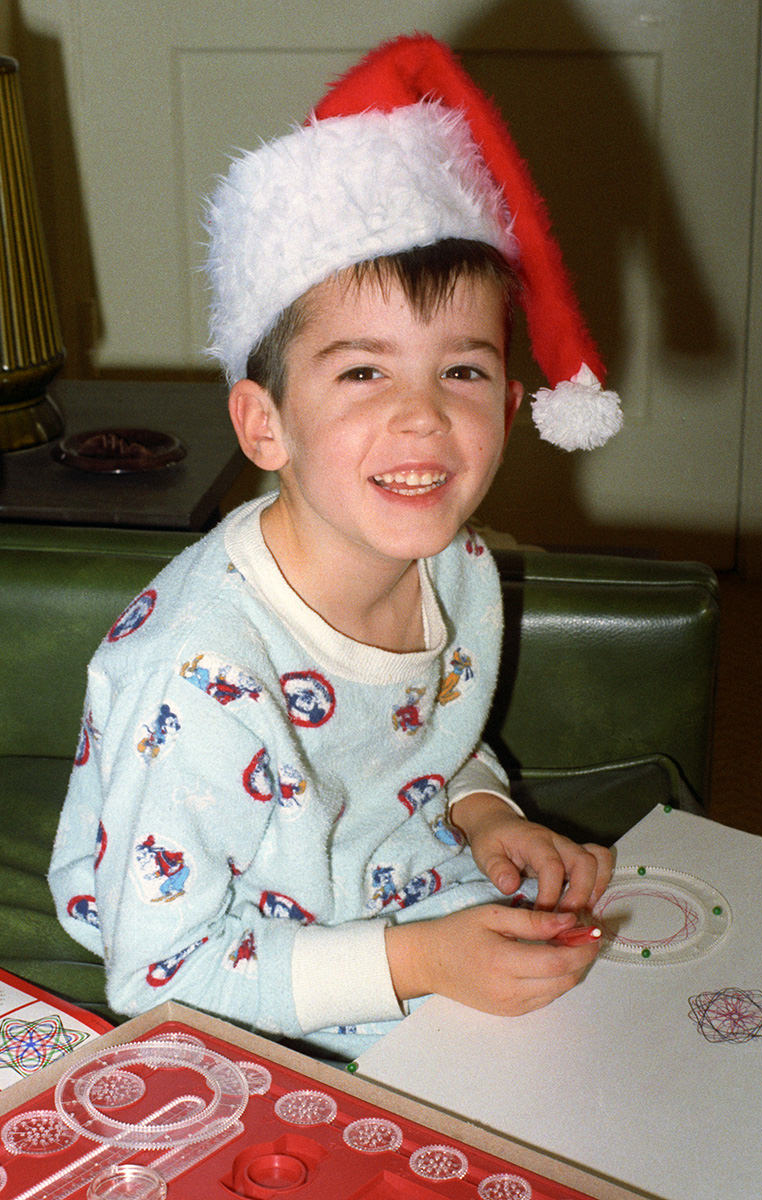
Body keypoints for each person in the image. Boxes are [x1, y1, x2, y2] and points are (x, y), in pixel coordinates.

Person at [49, 34, 622, 1060]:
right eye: (362, 374)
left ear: (513, 402)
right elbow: (153, 977)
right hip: (246, 978)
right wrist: (426, 963)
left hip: (403, 895)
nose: (422, 418)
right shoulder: (200, 669)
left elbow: (419, 742)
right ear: (264, 424)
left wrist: (486, 811)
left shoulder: (458, 566)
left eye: (462, 372)